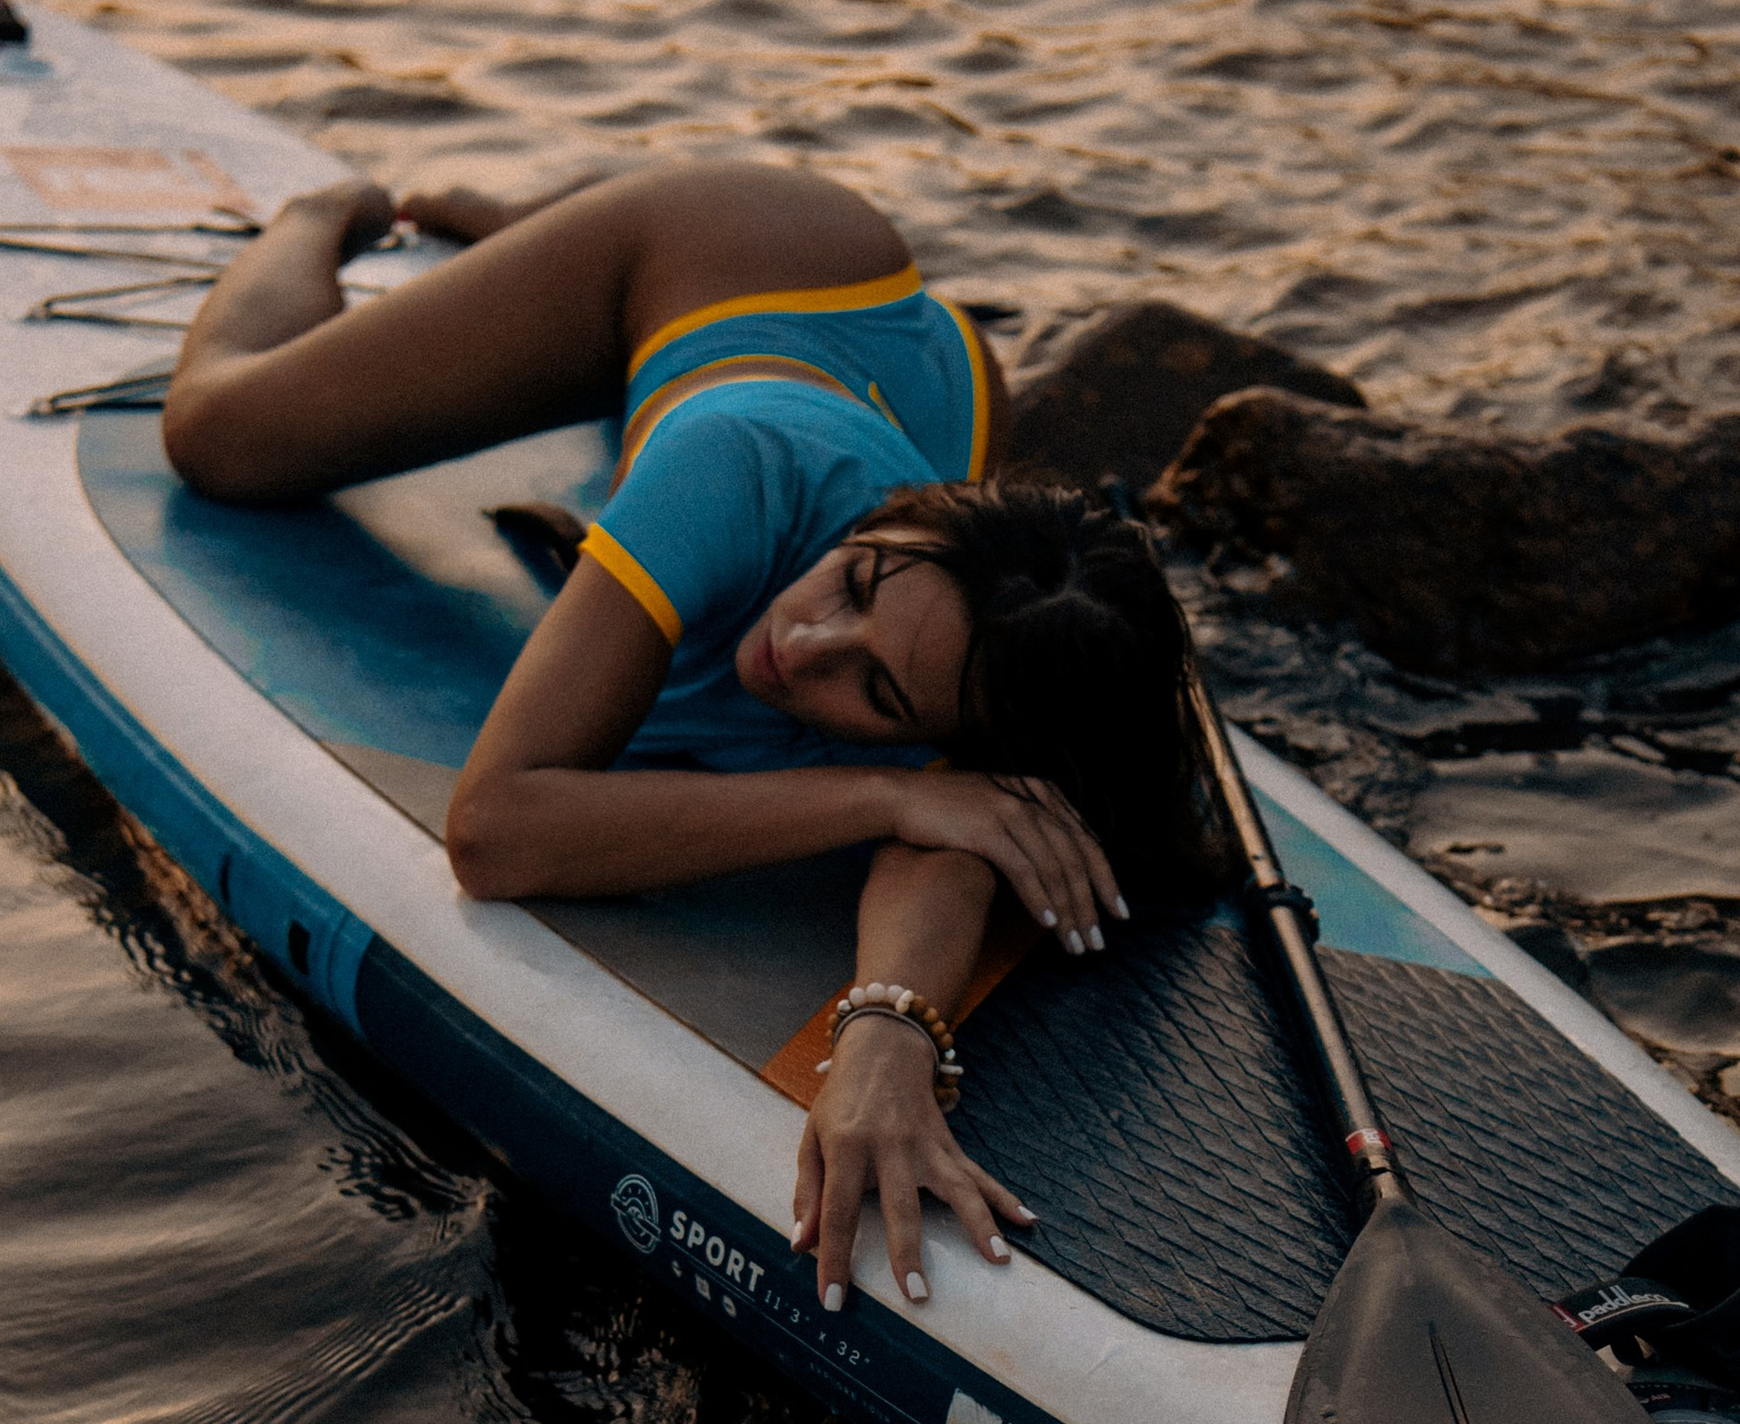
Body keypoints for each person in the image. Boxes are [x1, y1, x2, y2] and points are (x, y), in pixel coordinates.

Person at [160, 157, 1212, 1314]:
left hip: (930, 383)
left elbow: (965, 841)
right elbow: (498, 828)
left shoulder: (972, 650)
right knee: (222, 435)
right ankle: (436, 220)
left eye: (875, 693)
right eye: (852, 580)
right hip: (724, 255)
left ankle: (516, 255)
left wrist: (886, 1041)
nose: (802, 643)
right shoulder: (738, 464)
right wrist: (883, 793)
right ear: (895, 523)